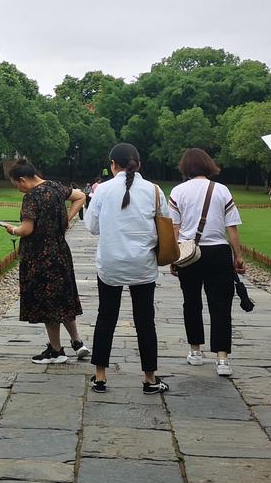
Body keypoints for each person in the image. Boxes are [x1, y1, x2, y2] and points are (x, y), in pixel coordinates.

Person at [84, 143, 167, 395]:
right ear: (138, 164)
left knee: (106, 317)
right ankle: (150, 378)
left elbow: (92, 227)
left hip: (110, 263)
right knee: (145, 320)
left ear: (112, 165)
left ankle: (100, 376)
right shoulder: (154, 190)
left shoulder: (103, 190)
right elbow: (165, 223)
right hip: (143, 264)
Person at [168, 149, 246, 378]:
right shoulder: (221, 190)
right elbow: (232, 227)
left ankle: (195, 350)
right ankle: (222, 359)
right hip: (218, 252)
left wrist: (173, 256)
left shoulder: (178, 191)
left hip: (189, 252)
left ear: (185, 167)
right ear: (208, 165)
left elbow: (175, 228)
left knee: (191, 302)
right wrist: (238, 255)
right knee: (221, 305)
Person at [2, 162, 88, 363]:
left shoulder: (32, 197)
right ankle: (77, 342)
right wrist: (66, 218)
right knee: (63, 298)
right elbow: (81, 196)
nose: (19, 189)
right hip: (60, 252)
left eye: (17, 185)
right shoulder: (56, 187)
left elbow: (27, 229)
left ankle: (56, 351)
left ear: (23, 179)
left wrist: (11, 229)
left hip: (40, 256)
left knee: (48, 303)